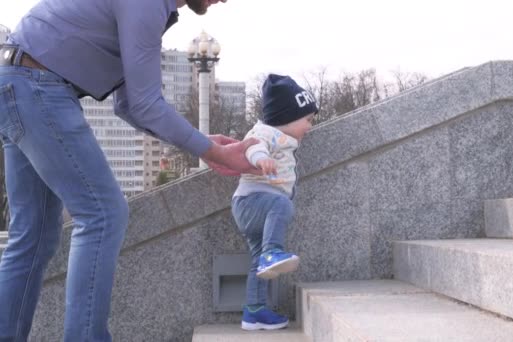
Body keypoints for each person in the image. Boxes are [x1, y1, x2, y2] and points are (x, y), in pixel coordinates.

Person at [0, 0, 261, 341]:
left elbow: (129, 104)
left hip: (15, 81)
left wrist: (201, 143)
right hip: (36, 86)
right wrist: (216, 153)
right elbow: (145, 104)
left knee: (33, 235)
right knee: (103, 214)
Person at [231, 74, 318, 331]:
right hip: (253, 202)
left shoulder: (285, 139)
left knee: (256, 261)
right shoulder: (265, 132)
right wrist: (260, 159)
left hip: (255, 208)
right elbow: (251, 147)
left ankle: (254, 311)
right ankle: (272, 253)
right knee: (282, 205)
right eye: (308, 120)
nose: (310, 127)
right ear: (286, 118)